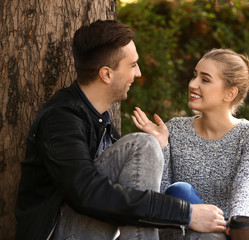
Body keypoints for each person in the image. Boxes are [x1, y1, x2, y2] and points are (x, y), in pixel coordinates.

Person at [14, 20, 227, 240]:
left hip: (98, 228)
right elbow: (87, 193)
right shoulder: (61, 119)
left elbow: (131, 197)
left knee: (206, 237)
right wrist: (185, 212)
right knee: (142, 145)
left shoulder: (101, 121)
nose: (139, 73)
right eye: (133, 65)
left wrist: (161, 148)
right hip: (57, 233)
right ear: (106, 74)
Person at [132, 48, 249, 240]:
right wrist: (161, 147)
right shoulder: (175, 129)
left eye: (205, 79)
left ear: (230, 93)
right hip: (186, 231)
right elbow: (164, 196)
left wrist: (241, 222)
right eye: (194, 76)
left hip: (235, 231)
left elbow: (244, 188)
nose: (192, 84)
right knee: (179, 190)